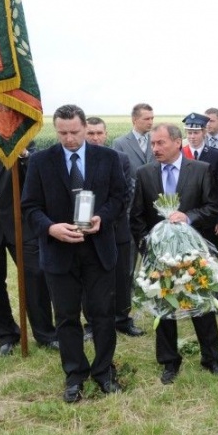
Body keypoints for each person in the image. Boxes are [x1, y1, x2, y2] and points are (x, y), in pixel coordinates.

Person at [21, 104, 127, 402]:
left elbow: (120, 198)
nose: (69, 139)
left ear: (84, 127)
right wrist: (51, 228)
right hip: (58, 252)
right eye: (62, 133)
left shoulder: (107, 158)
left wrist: (101, 219)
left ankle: (104, 371)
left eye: (75, 132)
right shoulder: (41, 161)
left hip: (98, 250)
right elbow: (30, 207)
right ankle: (74, 374)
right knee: (66, 317)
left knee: (102, 314)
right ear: (55, 130)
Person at [131, 123, 218, 384]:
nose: (155, 148)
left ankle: (211, 358)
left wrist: (188, 217)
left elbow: (212, 207)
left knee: (202, 304)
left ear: (176, 142)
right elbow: (137, 215)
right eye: (152, 144)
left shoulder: (201, 170)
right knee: (163, 306)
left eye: (160, 143)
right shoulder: (144, 173)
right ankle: (169, 362)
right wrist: (149, 245)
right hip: (159, 255)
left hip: (194, 252)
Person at [0, 141, 58, 355]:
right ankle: (6, 335)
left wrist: (23, 155)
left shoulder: (23, 144)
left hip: (21, 224)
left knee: (35, 277)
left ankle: (45, 334)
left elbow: (37, 178)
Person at [85, 117, 145, 337]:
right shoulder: (77, 160)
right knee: (89, 278)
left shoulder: (120, 158)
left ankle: (122, 319)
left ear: (106, 133)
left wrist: (106, 218)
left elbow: (127, 193)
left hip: (116, 228)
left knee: (122, 276)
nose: (95, 138)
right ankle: (92, 323)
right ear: (84, 133)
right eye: (90, 133)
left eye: (99, 133)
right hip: (85, 231)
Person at [181, 113, 218, 258]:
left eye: (196, 132)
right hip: (186, 216)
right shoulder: (180, 154)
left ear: (204, 132)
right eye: (189, 132)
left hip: (209, 217)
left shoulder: (216, 155)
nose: (192, 136)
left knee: (210, 258)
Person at [112, 103, 155, 173]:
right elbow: (118, 171)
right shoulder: (120, 143)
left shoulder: (157, 141)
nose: (150, 122)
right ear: (134, 120)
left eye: (152, 118)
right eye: (146, 119)